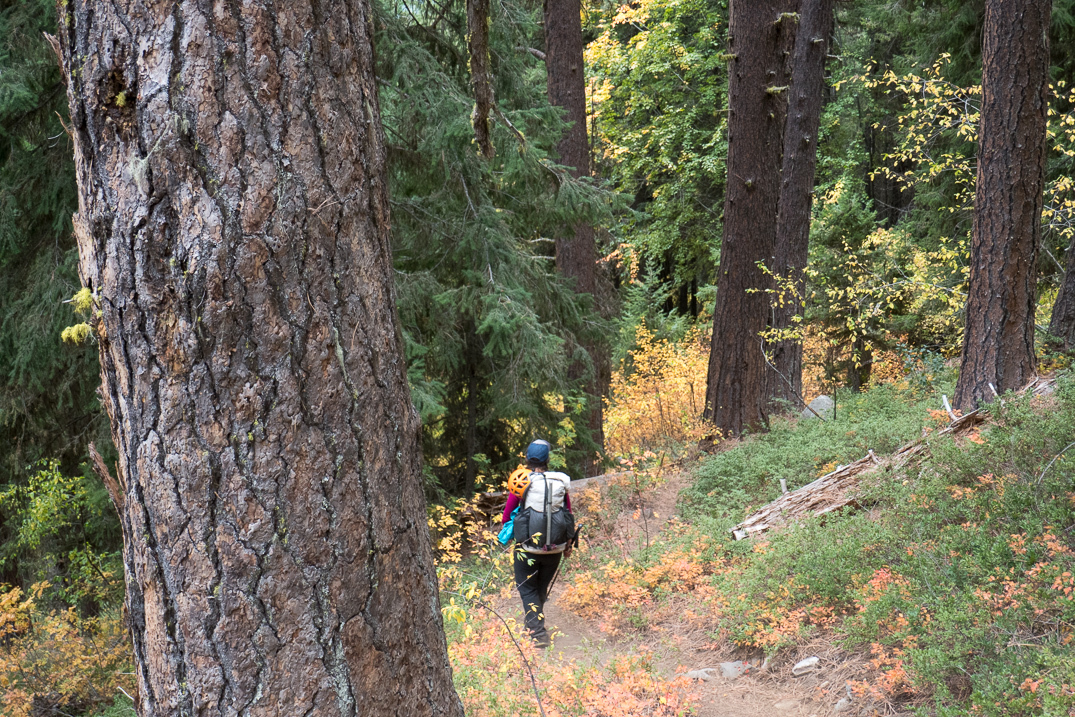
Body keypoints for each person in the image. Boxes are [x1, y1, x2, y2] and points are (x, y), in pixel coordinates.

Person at [501, 439, 573, 648]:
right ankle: (533, 624)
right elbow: (568, 513)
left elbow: (506, 517)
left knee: (527, 588)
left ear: (527, 459)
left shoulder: (521, 482)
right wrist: (568, 544)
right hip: (555, 548)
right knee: (540, 587)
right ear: (547, 459)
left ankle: (538, 633)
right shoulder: (560, 482)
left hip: (527, 547)